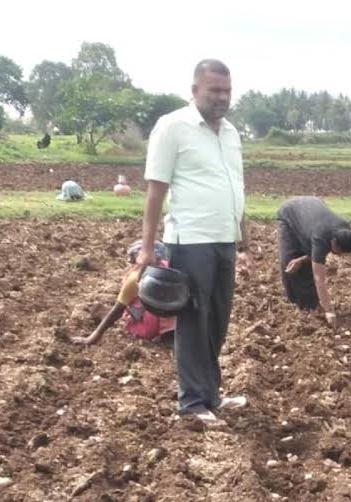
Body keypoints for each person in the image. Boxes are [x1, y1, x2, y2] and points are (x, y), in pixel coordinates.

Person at [136, 59, 251, 424]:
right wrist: (148, 246)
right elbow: (156, 190)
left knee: (218, 319)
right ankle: (191, 402)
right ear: (195, 90)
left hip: (225, 239)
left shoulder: (231, 133)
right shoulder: (172, 127)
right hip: (190, 240)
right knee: (193, 320)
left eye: (227, 91)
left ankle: (211, 394)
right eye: (214, 90)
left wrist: (244, 239)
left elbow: (235, 187)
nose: (222, 97)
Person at [72, 240, 177, 346]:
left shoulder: (137, 277)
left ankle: (163, 332)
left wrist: (93, 337)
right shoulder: (167, 268)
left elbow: (118, 309)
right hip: (168, 324)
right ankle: (168, 334)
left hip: (150, 325)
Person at [276, 196, 351, 326]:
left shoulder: (345, 229)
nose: (339, 255)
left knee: (304, 264)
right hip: (290, 214)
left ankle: (311, 305)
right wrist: (329, 310)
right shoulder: (321, 237)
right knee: (289, 261)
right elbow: (319, 278)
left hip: (311, 212)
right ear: (333, 241)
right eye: (339, 251)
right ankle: (296, 304)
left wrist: (302, 260)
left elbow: (318, 254)